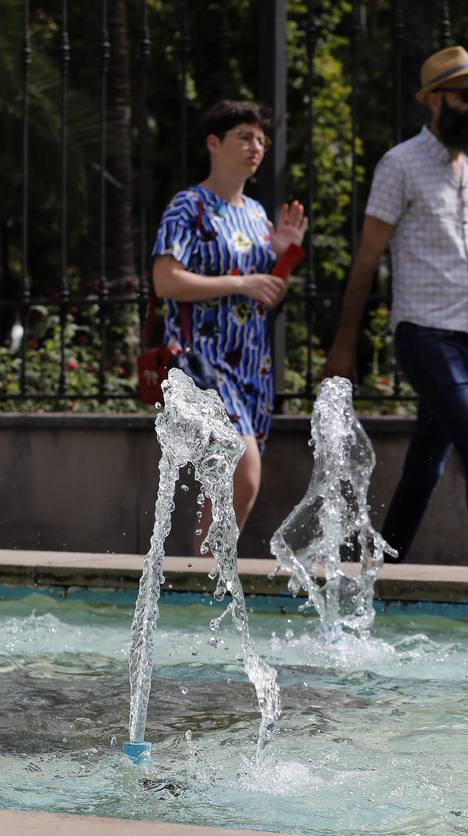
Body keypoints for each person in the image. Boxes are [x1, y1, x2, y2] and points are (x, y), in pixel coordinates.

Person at [323, 47, 468, 567]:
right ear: (436, 100)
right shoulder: (400, 164)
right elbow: (367, 258)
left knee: (426, 465)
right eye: (467, 94)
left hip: (466, 334)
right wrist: (344, 343)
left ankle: (380, 573)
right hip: (423, 334)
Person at [151, 100, 308, 549]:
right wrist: (242, 282)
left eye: (261, 139)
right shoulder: (190, 206)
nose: (255, 146)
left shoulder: (258, 215)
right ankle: (210, 575)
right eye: (244, 136)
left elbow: (262, 297)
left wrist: (283, 255)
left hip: (251, 364)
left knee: (226, 481)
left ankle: (206, 582)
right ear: (214, 144)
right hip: (201, 360)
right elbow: (165, 280)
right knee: (245, 470)